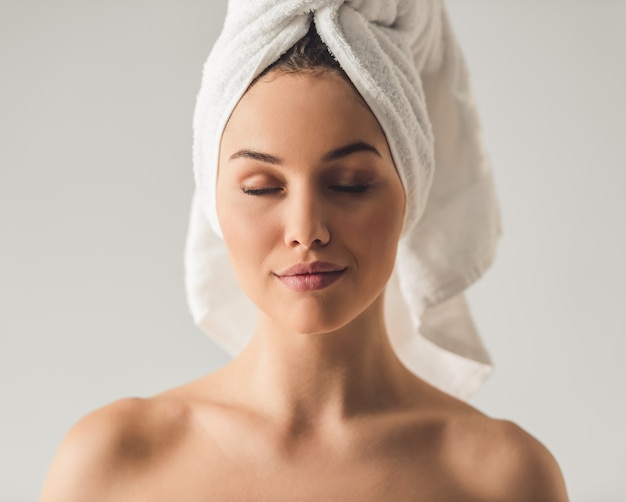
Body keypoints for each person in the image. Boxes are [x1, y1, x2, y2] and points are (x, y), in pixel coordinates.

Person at [40, 2, 569, 500]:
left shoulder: (501, 478)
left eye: (350, 183)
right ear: (214, 202)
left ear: (413, 189)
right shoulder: (110, 464)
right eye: (262, 187)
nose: (306, 230)